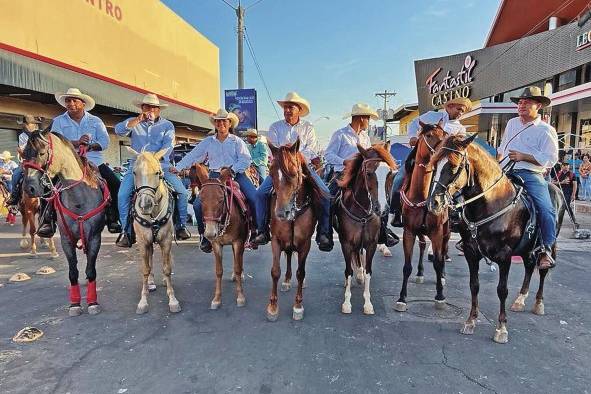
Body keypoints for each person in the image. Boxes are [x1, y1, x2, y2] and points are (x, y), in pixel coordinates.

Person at [252, 92, 333, 251]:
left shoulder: (308, 128)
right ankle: (262, 230)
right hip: (281, 169)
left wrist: (296, 155)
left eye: (291, 107)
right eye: (286, 107)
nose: (287, 110)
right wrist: (285, 156)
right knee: (260, 193)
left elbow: (312, 148)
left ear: (299, 109)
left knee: (325, 193)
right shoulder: (275, 127)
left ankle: (323, 232)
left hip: (303, 167)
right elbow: (273, 150)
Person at [36, 88, 121, 237]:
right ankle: (47, 221)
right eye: (68, 101)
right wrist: (76, 142)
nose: (71, 103)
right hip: (67, 164)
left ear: (83, 103)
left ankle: (113, 217)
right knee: (47, 185)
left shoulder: (95, 121)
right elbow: (55, 142)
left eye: (75, 100)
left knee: (115, 183)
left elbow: (105, 142)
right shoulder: (58, 121)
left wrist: (89, 145)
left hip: (93, 161)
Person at [174, 109, 257, 253]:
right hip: (214, 176)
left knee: (254, 197)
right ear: (215, 124)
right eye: (218, 121)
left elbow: (246, 160)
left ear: (229, 123)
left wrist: (232, 170)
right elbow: (193, 155)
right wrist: (178, 167)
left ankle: (256, 230)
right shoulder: (208, 141)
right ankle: (204, 236)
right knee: (198, 205)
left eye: (224, 121)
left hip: (235, 174)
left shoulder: (237, 141)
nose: (221, 124)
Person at [114, 93, 191, 247]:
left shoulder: (167, 125)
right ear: (141, 108)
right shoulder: (134, 122)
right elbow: (118, 130)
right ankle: (126, 231)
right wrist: (136, 120)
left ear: (158, 109)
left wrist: (154, 158)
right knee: (122, 194)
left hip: (161, 165)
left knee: (181, 192)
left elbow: (168, 145)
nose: (150, 109)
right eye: (146, 107)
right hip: (138, 166)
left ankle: (181, 226)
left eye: (153, 107)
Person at [498, 86, 559, 270]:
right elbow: (502, 150)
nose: (522, 105)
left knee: (546, 208)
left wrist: (525, 156)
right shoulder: (511, 123)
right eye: (520, 102)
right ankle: (471, 238)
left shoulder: (546, 130)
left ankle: (546, 248)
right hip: (506, 171)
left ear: (538, 106)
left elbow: (551, 159)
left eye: (527, 103)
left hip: (530, 174)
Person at [389, 97, 472, 226]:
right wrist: (412, 137)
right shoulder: (433, 116)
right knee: (400, 177)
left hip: (443, 162)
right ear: (449, 107)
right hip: (422, 155)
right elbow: (413, 123)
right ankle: (396, 212)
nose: (461, 113)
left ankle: (456, 214)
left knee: (458, 184)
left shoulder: (461, 129)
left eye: (463, 111)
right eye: (459, 109)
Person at [324, 103, 397, 247]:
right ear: (361, 118)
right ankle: (325, 232)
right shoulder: (340, 134)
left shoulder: (365, 137)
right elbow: (328, 154)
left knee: (380, 195)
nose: (369, 122)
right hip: (342, 173)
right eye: (368, 119)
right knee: (329, 198)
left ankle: (383, 231)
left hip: (363, 175)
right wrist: (344, 161)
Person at [5, 115, 43, 206]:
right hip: (27, 162)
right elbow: (23, 152)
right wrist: (21, 152)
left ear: (34, 124)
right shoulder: (22, 136)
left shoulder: (41, 134)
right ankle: (14, 196)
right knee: (15, 174)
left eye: (28, 124)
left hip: (41, 161)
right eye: (25, 124)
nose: (26, 126)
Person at [553, 162, 578, 226]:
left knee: (566, 205)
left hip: (568, 192)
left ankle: (574, 221)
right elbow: (553, 182)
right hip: (559, 192)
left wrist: (573, 194)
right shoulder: (558, 174)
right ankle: (557, 220)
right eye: (565, 166)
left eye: (567, 166)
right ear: (562, 167)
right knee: (559, 206)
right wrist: (562, 182)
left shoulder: (572, 174)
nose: (566, 167)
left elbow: (575, 185)